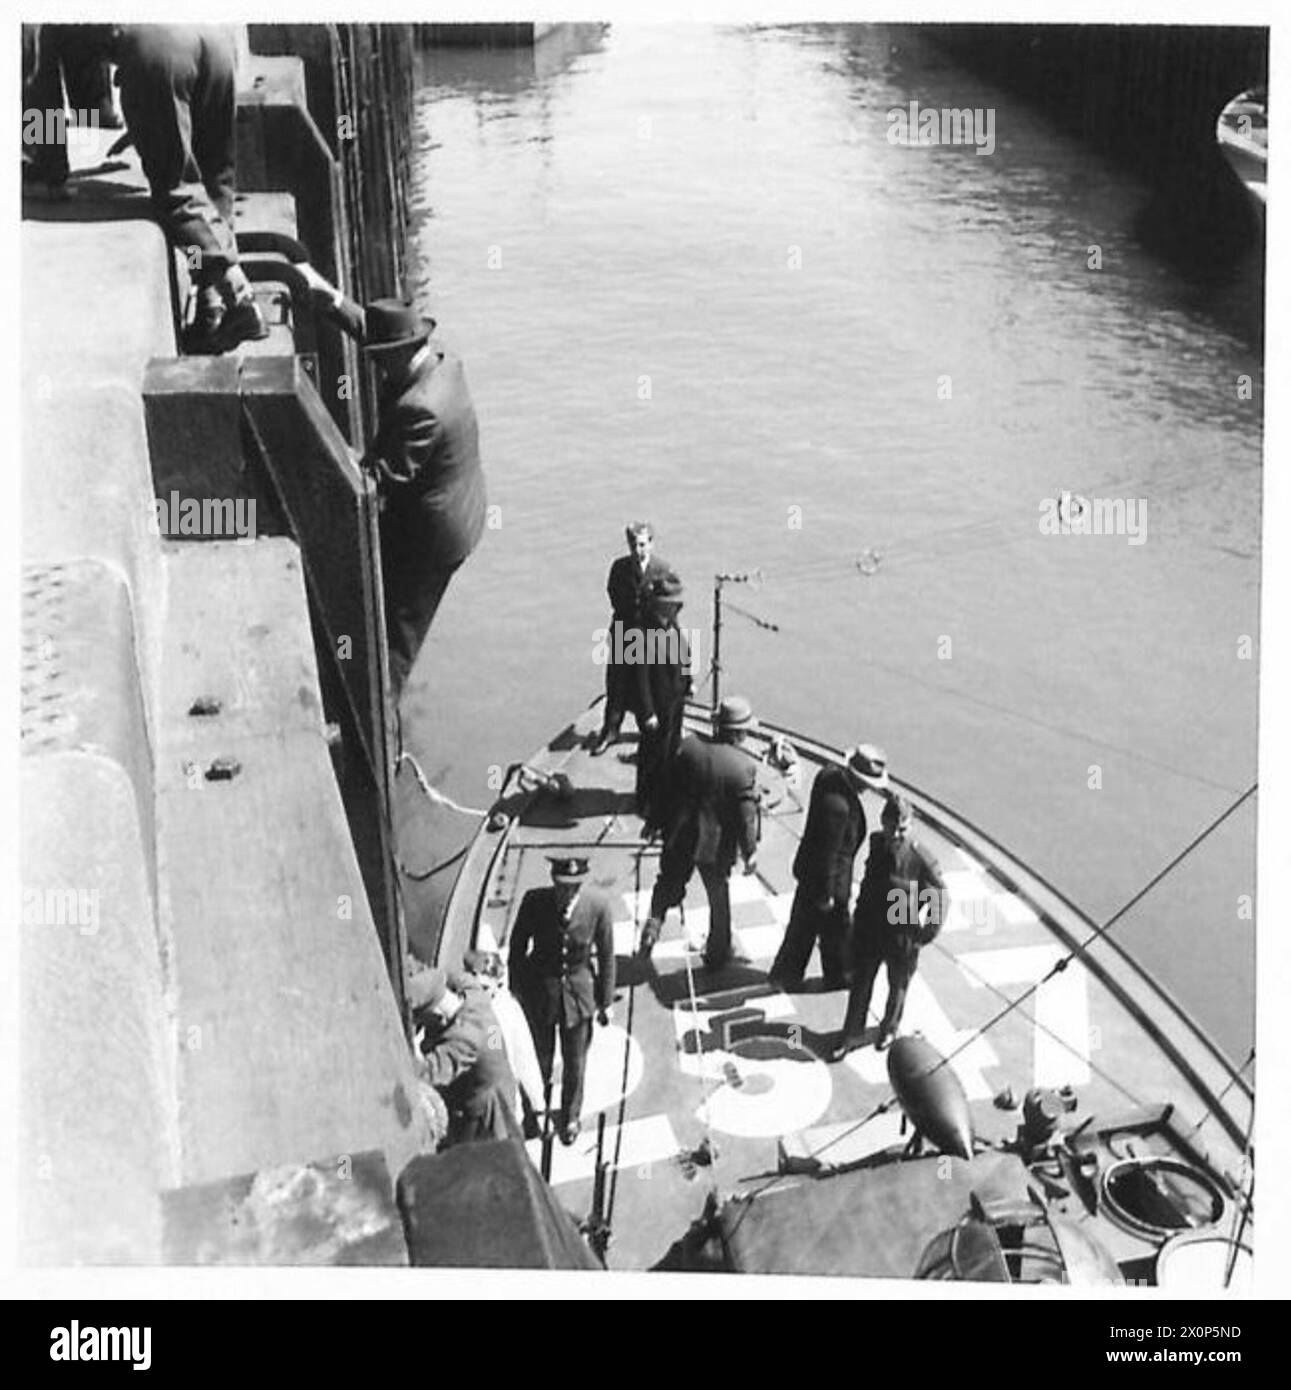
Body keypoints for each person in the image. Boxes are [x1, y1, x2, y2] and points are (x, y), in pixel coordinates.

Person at [299, 266, 488, 700]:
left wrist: (328, 449)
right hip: (454, 504)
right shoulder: (442, 363)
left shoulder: (421, 409)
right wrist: (330, 299)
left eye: (378, 357)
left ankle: (383, 716)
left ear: (397, 355)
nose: (372, 364)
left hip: (433, 540)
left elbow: (376, 480)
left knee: (396, 638)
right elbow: (376, 330)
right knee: (372, 598)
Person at [112, 25, 267, 354]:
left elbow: (42, 89)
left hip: (160, 52)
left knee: (177, 193)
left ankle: (240, 298)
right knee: (215, 182)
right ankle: (210, 310)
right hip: (213, 37)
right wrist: (148, 121)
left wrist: (47, 165)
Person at [637, 695, 760, 972]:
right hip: (713, 846)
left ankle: (652, 926)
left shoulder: (689, 748)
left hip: (679, 833)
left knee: (668, 882)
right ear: (741, 732)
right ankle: (718, 952)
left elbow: (666, 789)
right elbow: (745, 818)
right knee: (718, 897)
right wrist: (750, 852)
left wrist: (653, 822)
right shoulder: (742, 768)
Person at [507, 856, 616, 1146]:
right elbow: (518, 946)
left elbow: (606, 955)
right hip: (540, 993)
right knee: (538, 1059)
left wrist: (605, 1001)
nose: (566, 893)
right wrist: (516, 989)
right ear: (553, 882)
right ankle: (536, 1113)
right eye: (561, 887)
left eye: (573, 887)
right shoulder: (535, 901)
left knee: (575, 1063)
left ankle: (570, 1116)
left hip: (579, 997)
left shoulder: (598, 906)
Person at [832, 794, 950, 1059]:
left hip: (902, 933)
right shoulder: (877, 844)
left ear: (911, 826)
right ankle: (851, 1033)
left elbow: (939, 897)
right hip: (870, 929)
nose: (895, 834)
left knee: (897, 986)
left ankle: (889, 1027)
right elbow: (869, 884)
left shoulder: (921, 859)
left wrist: (925, 933)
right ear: (883, 824)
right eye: (890, 827)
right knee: (861, 983)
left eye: (902, 829)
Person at [768, 744, 890, 991]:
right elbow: (828, 855)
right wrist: (828, 896)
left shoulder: (829, 776)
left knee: (803, 927)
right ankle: (837, 975)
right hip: (829, 881)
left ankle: (787, 974)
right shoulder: (839, 808)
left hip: (810, 871)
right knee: (833, 929)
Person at [591, 522, 678, 756]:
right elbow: (613, 593)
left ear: (651, 543)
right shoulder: (619, 568)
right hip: (623, 630)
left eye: (642, 544)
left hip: (650, 636)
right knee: (616, 683)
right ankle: (610, 729)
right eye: (633, 545)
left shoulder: (662, 568)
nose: (637, 550)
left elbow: (671, 602)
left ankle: (645, 731)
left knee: (647, 684)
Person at [407, 964, 519, 1145]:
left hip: (488, 1116)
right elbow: (446, 973)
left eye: (423, 1020)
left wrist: (410, 1043)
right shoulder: (474, 993)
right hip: (502, 1084)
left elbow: (428, 1073)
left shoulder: (465, 1041)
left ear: (437, 1015)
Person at [452, 949, 545, 1135]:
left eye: (485, 988)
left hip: (499, 1109)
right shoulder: (459, 1006)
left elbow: (524, 1059)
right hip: (468, 1106)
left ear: (497, 984)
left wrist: (538, 1106)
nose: (479, 995)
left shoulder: (501, 1016)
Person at [632, 573, 691, 831]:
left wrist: (688, 682)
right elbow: (639, 677)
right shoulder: (640, 632)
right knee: (652, 753)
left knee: (671, 748)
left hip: (675, 699)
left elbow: (683, 655)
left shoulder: (672, 625)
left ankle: (664, 794)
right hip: (656, 705)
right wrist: (646, 712)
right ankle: (645, 799)